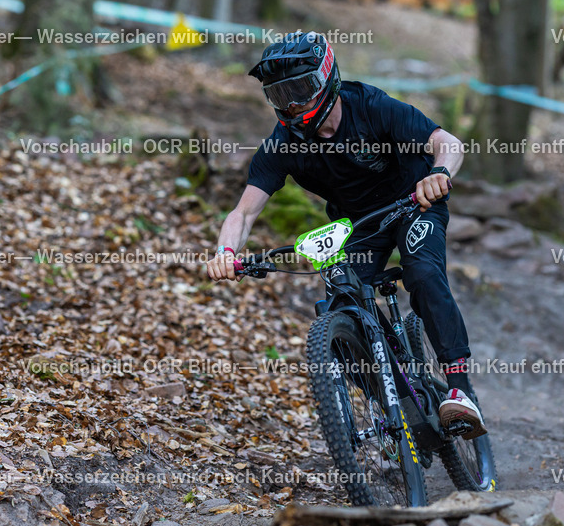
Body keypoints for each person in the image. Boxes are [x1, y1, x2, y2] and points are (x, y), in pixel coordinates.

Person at [206, 31, 486, 439]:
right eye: (280, 95)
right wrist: (225, 251)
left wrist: (439, 173)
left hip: (414, 204)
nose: (292, 104)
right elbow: (244, 211)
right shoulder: (282, 144)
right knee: (340, 297)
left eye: (300, 90)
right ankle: (391, 400)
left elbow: (447, 142)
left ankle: (460, 389)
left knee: (423, 274)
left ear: (326, 78)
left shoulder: (371, 106)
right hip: (358, 225)